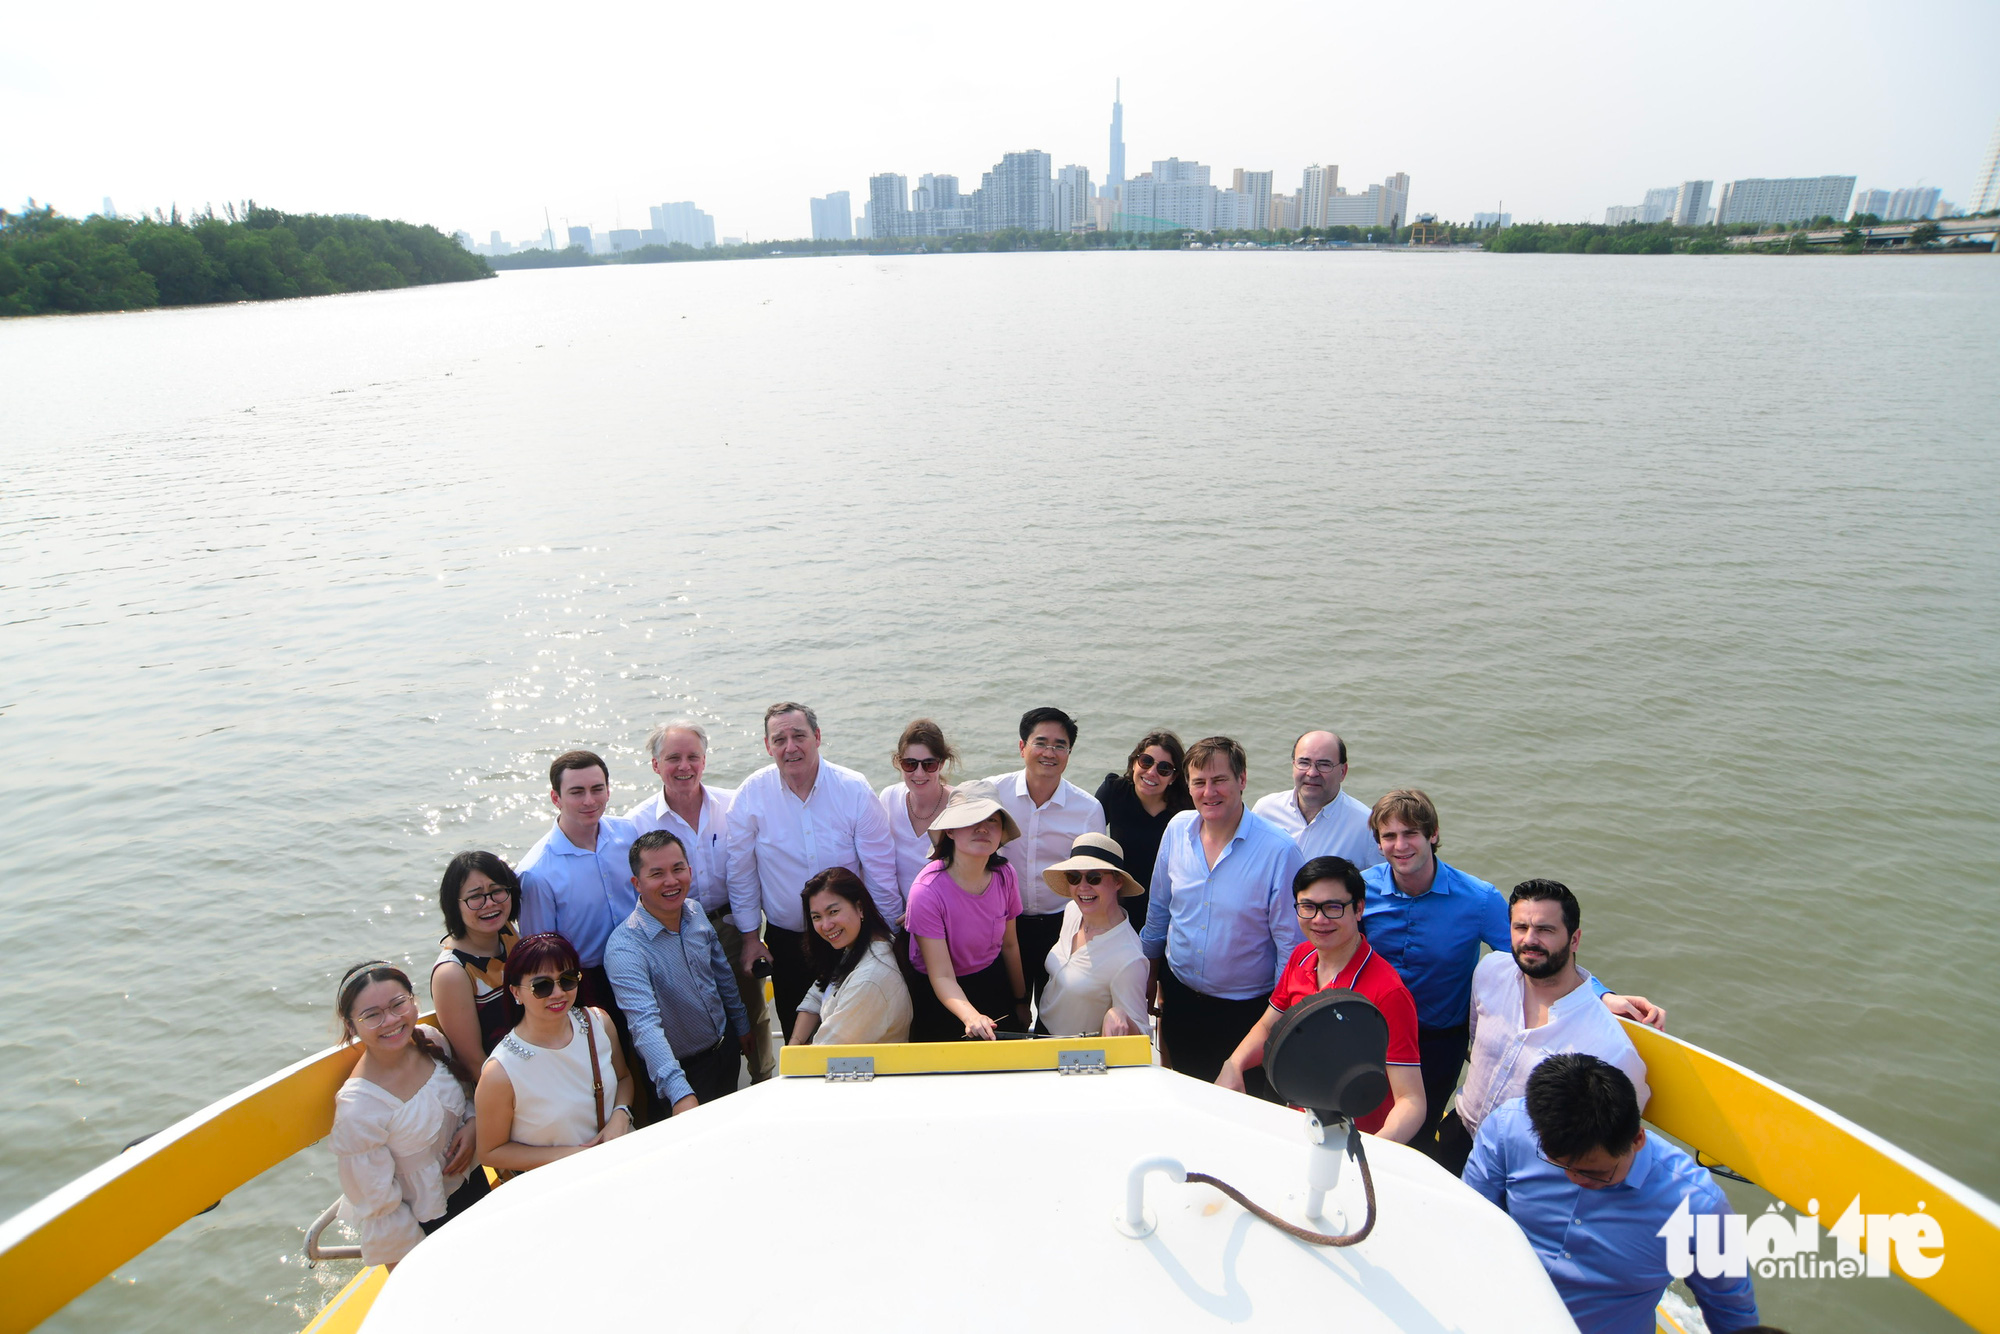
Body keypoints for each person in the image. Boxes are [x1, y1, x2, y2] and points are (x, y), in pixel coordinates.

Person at [1359, 789, 1663, 1161]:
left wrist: (1602, 995)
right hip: (1371, 1029)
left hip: (1437, 1041)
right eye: (1389, 836)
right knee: (1364, 1112)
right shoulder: (1363, 889)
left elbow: (1534, 954)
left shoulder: (1478, 899)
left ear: (1433, 834)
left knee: (1418, 1138)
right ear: (1377, 843)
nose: (1400, 845)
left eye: (1410, 834)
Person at [1464, 1055, 1761, 1334]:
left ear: (1637, 1139)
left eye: (1594, 1173)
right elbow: (1467, 1225)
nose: (1575, 1178)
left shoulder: (1699, 1208)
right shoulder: (1508, 1129)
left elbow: (1732, 1314)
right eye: (1560, 1164)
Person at [1437, 879, 1653, 1175]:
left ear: (1575, 939)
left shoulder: (1610, 1047)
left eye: (1545, 930)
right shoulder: (1489, 971)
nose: (1530, 939)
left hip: (1527, 1166)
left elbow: (1616, 1134)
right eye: (1520, 927)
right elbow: (1476, 1038)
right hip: (1459, 1131)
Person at [1216, 857, 1425, 1141]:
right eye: (1308, 907)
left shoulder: (1388, 993)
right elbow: (1268, 1028)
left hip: (1354, 1140)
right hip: (1298, 1122)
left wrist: (1377, 1152)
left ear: (1359, 909)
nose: (1319, 919)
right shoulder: (1301, 956)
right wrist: (1234, 1064)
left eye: (1333, 907)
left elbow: (1411, 1100)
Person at [728, 702, 901, 1040]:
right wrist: (750, 937)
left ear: (818, 737)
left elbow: (880, 869)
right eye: (779, 739)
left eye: (799, 736)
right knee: (799, 1035)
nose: (790, 747)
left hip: (852, 939)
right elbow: (741, 873)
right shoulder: (750, 795)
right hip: (788, 942)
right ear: (767, 746)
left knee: (858, 1037)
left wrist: (887, 936)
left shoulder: (853, 789)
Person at [1141, 736, 1305, 1085]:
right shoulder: (1176, 829)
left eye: (1219, 781)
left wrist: (1277, 1024)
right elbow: (1159, 911)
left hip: (1247, 1012)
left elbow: (1290, 948)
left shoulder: (1279, 851)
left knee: (1244, 1110)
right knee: (1184, 1092)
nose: (1208, 792)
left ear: (1242, 780)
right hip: (1179, 997)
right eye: (1199, 782)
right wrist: (1149, 977)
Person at [624, 719, 771, 1082]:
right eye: (673, 758)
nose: (684, 766)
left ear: (705, 760)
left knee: (753, 1014)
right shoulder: (637, 823)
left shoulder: (734, 805)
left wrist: (753, 937)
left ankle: (764, 1082)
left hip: (732, 926)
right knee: (692, 1020)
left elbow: (753, 869)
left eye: (693, 756)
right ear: (656, 765)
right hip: (674, 933)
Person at [330, 962, 485, 1267]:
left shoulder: (430, 1040)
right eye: (371, 1015)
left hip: (476, 1186)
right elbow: (383, 1211)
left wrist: (473, 1124)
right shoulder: (357, 1109)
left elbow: (465, 1096)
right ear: (351, 1026)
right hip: (427, 1224)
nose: (390, 1021)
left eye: (398, 1004)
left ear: (413, 1001)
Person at [604, 830, 752, 1111]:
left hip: (725, 1049)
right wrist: (680, 1092)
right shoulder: (625, 949)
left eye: (678, 869)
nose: (671, 881)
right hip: (679, 1074)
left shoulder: (695, 912)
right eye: (657, 873)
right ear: (637, 883)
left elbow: (721, 976)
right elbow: (644, 1026)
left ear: (690, 871)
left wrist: (741, 1025)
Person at [475, 933, 643, 1173]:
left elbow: (623, 1078)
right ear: (515, 992)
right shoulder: (500, 1072)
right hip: (561, 1182)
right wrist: (574, 1156)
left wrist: (621, 1115)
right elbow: (491, 1152)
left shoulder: (599, 1023)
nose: (558, 993)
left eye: (567, 979)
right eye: (541, 986)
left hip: (623, 1160)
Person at [986, 706, 1107, 1008]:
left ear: (1069, 752)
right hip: (1001, 921)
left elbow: (1095, 880)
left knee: (1056, 1014)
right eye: (1040, 742)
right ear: (1022, 747)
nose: (1049, 753)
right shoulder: (992, 794)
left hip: (1062, 924)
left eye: (1060, 745)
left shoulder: (1087, 809)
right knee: (1005, 1011)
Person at [516, 750, 640, 1020]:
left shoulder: (628, 834)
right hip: (587, 985)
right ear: (555, 798)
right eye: (576, 792)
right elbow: (541, 957)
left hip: (643, 962)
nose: (589, 800)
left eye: (597, 789)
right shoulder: (536, 873)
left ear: (609, 791)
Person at [902, 781, 1029, 1041]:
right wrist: (972, 1017)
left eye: (993, 820)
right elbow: (942, 975)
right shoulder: (926, 891)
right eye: (971, 819)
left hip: (992, 978)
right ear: (949, 831)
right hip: (941, 995)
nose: (983, 828)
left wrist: (1021, 1001)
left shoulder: (1006, 875)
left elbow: (1010, 945)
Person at [1035, 833, 1150, 1039]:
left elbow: (1142, 1035)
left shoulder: (1129, 958)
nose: (1083, 886)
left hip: (1077, 1057)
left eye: (1094, 877)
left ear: (1118, 882)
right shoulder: (1072, 911)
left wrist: (1119, 1016)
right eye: (1074, 877)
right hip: (1041, 1033)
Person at [792, 867, 912, 1045]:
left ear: (860, 907)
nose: (826, 926)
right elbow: (818, 992)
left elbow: (825, 1049)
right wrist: (795, 1043)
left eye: (833, 912)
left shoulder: (870, 979)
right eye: (817, 917)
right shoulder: (856, 948)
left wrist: (794, 1058)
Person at [1094, 729, 1192, 938]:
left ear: (1174, 777)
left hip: (1171, 906)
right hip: (1120, 902)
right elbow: (1089, 842)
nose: (1151, 773)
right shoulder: (1114, 791)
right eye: (1146, 761)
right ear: (1134, 763)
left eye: (1164, 768)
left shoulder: (1188, 808)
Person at [431, 850, 522, 1060]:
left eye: (497, 890)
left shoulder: (508, 932)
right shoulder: (452, 973)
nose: (489, 903)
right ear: (455, 904)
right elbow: (474, 1061)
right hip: (501, 1080)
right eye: (475, 896)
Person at [1251, 730, 1383, 869]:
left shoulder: (1366, 826)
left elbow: (1381, 884)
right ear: (1293, 765)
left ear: (1343, 772)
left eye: (1324, 764)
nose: (1312, 773)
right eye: (1304, 762)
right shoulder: (1265, 810)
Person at [879, 718, 956, 897]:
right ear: (898, 762)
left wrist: (922, 909)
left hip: (943, 914)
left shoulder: (959, 805)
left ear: (942, 763)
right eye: (910, 764)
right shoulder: (888, 798)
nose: (919, 773)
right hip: (897, 914)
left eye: (929, 764)